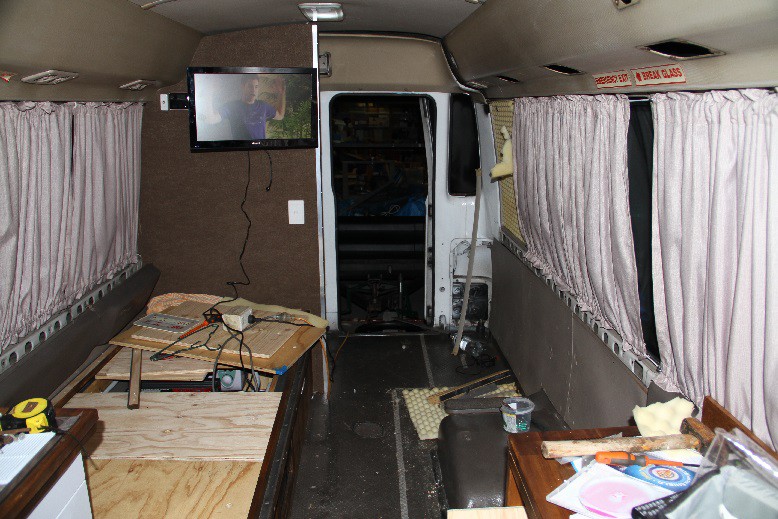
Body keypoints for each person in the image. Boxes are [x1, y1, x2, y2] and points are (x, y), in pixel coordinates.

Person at [205, 75, 286, 140]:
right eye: (250, 86)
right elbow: (211, 119)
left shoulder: (263, 106)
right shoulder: (232, 107)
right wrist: (209, 92)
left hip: (261, 151)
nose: (253, 90)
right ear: (243, 86)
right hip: (240, 152)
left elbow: (280, 115)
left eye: (256, 87)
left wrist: (281, 93)